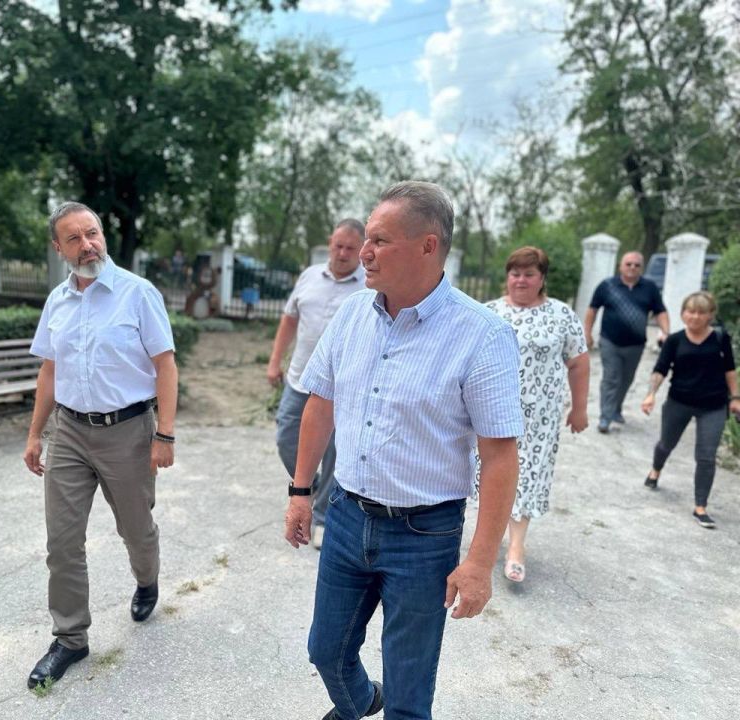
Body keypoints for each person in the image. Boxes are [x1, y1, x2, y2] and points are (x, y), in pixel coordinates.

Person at [283, 181, 522, 720]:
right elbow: (320, 402)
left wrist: (480, 561)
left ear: (428, 246)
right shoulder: (352, 314)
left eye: (379, 240)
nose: (363, 252)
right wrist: (300, 491)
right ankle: (362, 701)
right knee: (326, 651)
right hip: (347, 516)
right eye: (365, 239)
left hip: (423, 535)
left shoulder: (482, 335)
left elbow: (500, 456)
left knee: (410, 693)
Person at [22, 201, 178, 689]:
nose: (87, 244)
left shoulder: (138, 293)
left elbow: (166, 365)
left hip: (128, 432)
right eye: (74, 238)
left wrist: (165, 434)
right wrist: (35, 434)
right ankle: (70, 638)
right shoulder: (57, 301)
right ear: (59, 248)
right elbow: (50, 371)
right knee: (62, 541)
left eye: (92, 233)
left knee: (136, 529)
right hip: (69, 432)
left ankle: (147, 579)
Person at [483, 247, 590, 583]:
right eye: (515, 273)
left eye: (529, 274)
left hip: (540, 418)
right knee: (490, 474)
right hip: (493, 413)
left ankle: (516, 546)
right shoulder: (490, 312)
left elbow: (578, 362)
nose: (521, 280)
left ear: (542, 278)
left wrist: (580, 408)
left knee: (528, 474)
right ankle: (488, 540)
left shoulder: (561, 315)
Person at [266, 219, 366, 549]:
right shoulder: (309, 276)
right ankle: (315, 484)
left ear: (361, 250)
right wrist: (274, 360)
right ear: (330, 243)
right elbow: (289, 318)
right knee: (286, 437)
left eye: (350, 248)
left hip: (342, 387)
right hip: (300, 378)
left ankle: (322, 515)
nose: (342, 253)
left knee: (335, 450)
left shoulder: (369, 285)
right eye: (338, 246)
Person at [642, 291, 739, 529]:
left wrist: (735, 397)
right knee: (666, 444)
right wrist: (651, 393)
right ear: (683, 313)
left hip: (713, 405)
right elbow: (661, 369)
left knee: (706, 456)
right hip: (679, 402)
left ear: (710, 315)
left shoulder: (720, 338)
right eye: (690, 311)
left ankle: (700, 506)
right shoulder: (674, 340)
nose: (695, 316)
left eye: (701, 312)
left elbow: (729, 369)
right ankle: (656, 470)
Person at [584, 251, 669, 433]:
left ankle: (616, 409)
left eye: (637, 265)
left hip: (636, 344)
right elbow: (592, 309)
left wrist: (665, 332)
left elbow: (660, 311)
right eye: (628, 264)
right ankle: (605, 417)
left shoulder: (650, 288)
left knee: (626, 379)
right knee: (611, 378)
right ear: (620, 266)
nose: (632, 267)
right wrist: (587, 333)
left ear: (641, 268)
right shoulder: (607, 285)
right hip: (610, 341)